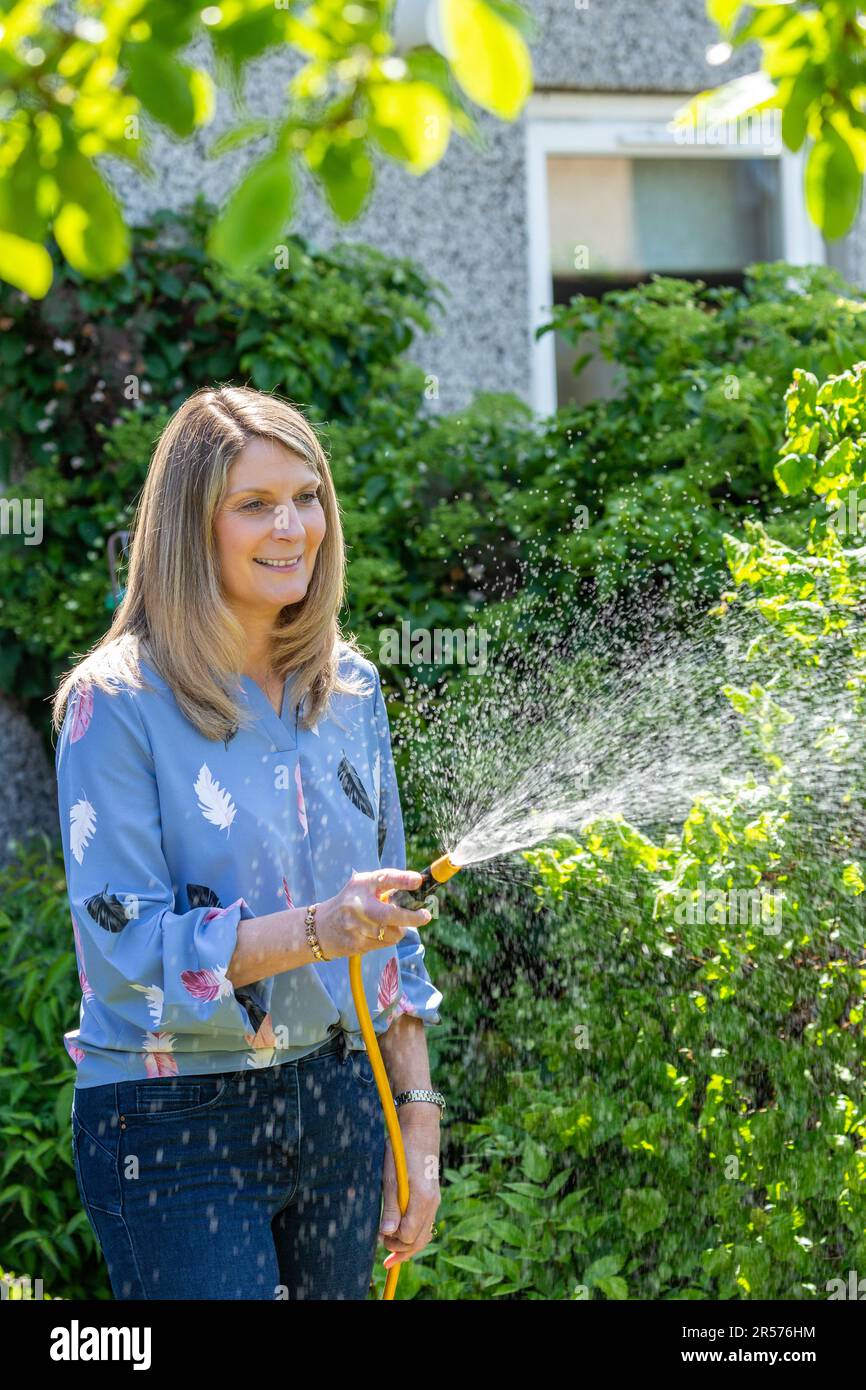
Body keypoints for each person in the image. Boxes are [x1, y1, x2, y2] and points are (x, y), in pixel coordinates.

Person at [52, 385, 445, 1300]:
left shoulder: (348, 687)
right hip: (172, 1119)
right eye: (255, 504)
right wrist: (317, 931)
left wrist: (415, 1119)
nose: (293, 526)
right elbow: (130, 955)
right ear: (194, 528)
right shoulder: (113, 705)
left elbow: (391, 929)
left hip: (341, 1105)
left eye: (307, 497)